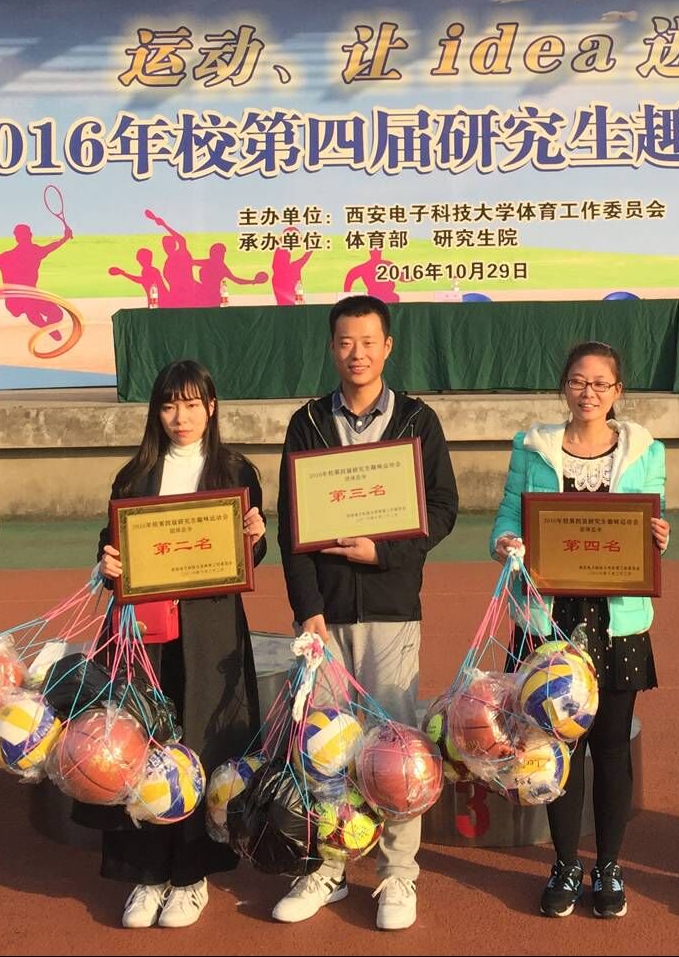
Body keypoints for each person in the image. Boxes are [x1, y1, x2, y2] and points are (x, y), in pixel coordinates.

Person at [273, 295, 459, 930]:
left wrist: (382, 552)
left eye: (369, 342)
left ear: (388, 347)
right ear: (332, 348)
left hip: (390, 608)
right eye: (346, 342)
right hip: (325, 619)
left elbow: (442, 508)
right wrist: (308, 610)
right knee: (325, 749)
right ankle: (328, 867)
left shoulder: (417, 420)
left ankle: (397, 874)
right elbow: (292, 526)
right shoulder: (308, 422)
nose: (357, 354)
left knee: (395, 749)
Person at [80, 359, 266, 929]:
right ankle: (147, 871)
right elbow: (110, 546)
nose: (180, 417)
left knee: (204, 742)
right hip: (145, 635)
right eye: (168, 405)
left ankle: (191, 874)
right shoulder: (134, 475)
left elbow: (250, 553)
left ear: (211, 407)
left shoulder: (236, 470)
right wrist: (108, 561)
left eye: (190, 404)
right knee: (140, 742)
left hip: (210, 634)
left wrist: (257, 537)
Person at [491, 342, 671, 919]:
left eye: (600, 383)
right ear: (563, 387)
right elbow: (509, 513)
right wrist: (503, 541)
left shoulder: (647, 450)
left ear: (618, 391)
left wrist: (659, 535)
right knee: (554, 742)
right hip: (549, 616)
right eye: (577, 381)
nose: (588, 393)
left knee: (612, 746)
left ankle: (609, 865)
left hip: (617, 619)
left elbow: (653, 517)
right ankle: (566, 863)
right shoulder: (532, 447)